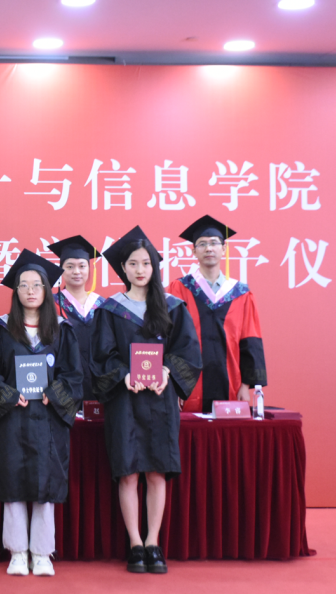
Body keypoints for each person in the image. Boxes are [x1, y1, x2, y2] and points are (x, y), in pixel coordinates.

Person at [92, 226, 202, 575]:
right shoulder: (111, 310)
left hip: (159, 400)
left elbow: (188, 352)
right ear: (123, 268)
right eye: (133, 264)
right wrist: (124, 375)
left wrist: (168, 371)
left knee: (156, 472)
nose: (140, 270)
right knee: (127, 473)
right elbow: (101, 357)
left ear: (155, 267)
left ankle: (153, 541)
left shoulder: (172, 307)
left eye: (146, 263)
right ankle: (135, 544)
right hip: (124, 401)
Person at [0, 250, 82, 577]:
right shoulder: (0, 329)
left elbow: (73, 375)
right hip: (13, 418)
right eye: (23, 285)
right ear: (16, 291)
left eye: (37, 285)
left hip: (49, 420)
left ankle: (42, 552)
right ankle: (18, 552)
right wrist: (10, 395)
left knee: (45, 485)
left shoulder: (62, 330)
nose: (31, 291)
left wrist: (54, 394)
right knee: (13, 482)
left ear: (48, 289)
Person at [166, 215, 268, 413]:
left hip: (231, 383)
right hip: (189, 386)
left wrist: (246, 386)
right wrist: (175, 386)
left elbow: (250, 340)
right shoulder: (179, 289)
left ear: (224, 249)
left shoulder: (241, 294)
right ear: (193, 251)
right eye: (202, 244)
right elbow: (171, 340)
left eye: (214, 243)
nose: (209, 248)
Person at [48, 235, 104, 403]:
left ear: (89, 269)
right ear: (61, 270)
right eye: (70, 266)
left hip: (99, 381)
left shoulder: (103, 305)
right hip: (64, 381)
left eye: (82, 266)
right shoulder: (51, 304)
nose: (76, 272)